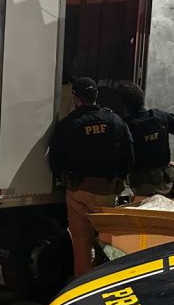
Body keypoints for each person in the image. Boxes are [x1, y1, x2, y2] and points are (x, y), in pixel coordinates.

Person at [49, 77, 134, 277]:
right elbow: (129, 154)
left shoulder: (69, 123)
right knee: (108, 242)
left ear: (76, 98)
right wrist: (120, 178)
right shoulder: (115, 120)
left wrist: (62, 177)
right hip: (107, 190)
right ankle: (106, 281)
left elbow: (56, 158)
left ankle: (83, 285)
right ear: (96, 95)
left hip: (79, 189)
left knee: (81, 244)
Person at [118, 82, 174, 198]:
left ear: (125, 106)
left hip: (141, 186)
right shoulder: (162, 117)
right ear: (142, 99)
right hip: (164, 184)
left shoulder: (125, 125)